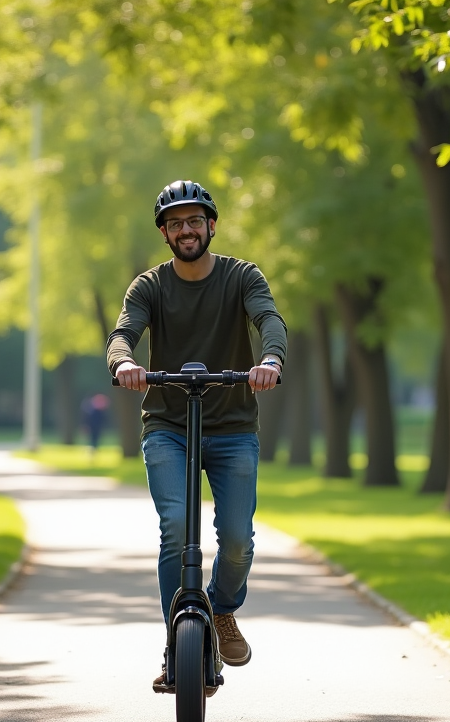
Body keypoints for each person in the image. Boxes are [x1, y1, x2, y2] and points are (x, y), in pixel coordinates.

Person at [107, 179, 287, 692]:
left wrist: (269, 359)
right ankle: (176, 644)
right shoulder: (149, 286)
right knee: (176, 528)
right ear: (165, 233)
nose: (186, 230)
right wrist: (124, 363)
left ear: (211, 225)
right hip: (168, 425)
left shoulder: (241, 277)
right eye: (175, 223)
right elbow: (124, 332)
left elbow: (269, 319)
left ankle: (222, 611)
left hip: (232, 427)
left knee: (236, 542)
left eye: (194, 220)